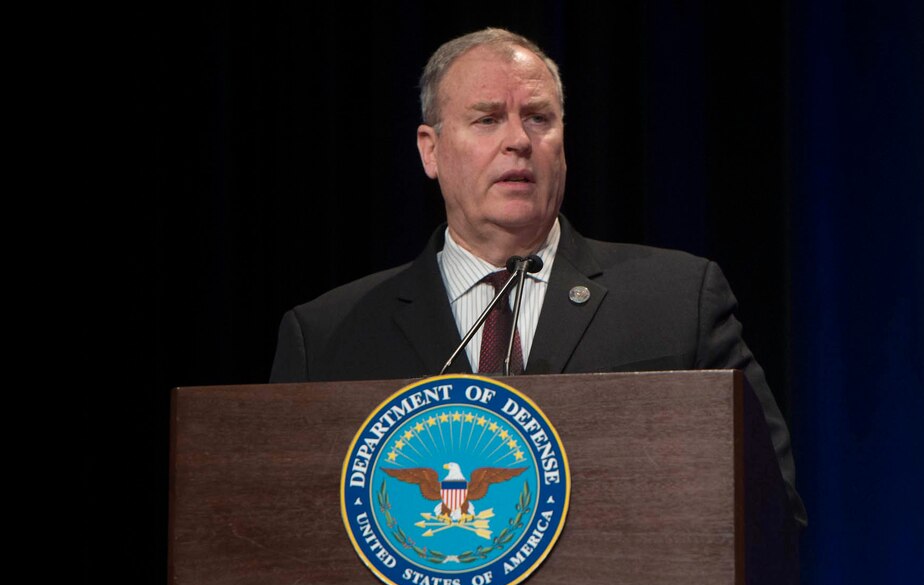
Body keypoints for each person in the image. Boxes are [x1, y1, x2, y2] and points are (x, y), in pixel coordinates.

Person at [270, 28, 804, 526]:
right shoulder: (327, 338)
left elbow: (768, 506)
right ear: (429, 150)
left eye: (538, 118)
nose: (518, 141)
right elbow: (281, 533)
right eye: (486, 119)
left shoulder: (677, 301)